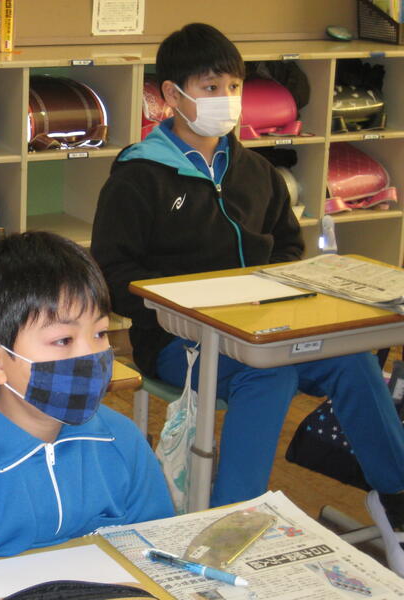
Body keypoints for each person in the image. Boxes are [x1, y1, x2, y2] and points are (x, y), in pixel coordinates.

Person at [90, 21, 404, 563]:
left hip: (266, 329)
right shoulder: (138, 177)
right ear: (172, 95)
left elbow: (288, 248)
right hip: (175, 339)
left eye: (233, 87)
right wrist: (186, 305)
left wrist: (269, 292)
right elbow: (112, 276)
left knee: (350, 359)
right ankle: (231, 526)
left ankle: (397, 497)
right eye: (211, 87)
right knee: (268, 374)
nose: (227, 99)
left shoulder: (257, 172)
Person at [0, 231, 174, 573]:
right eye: (63, 340)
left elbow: (156, 556)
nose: (90, 355)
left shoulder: (122, 442)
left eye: (100, 333)